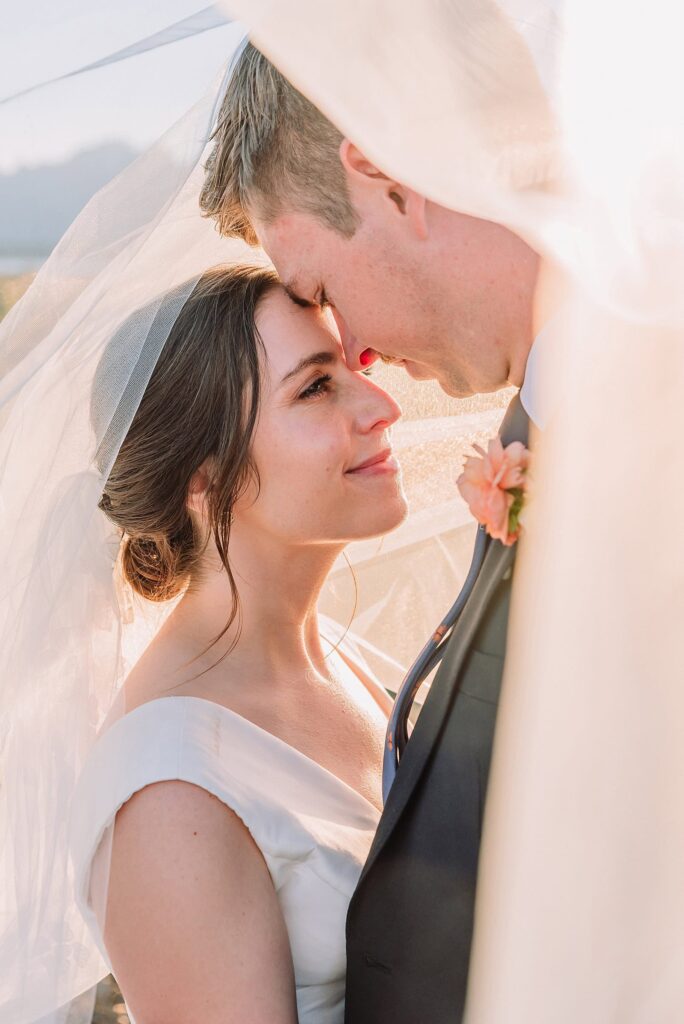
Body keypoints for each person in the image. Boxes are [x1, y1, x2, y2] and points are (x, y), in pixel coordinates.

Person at [199, 42, 543, 1023]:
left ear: (389, 181)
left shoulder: (639, 431)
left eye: (319, 283)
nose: (354, 354)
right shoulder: (537, 441)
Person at [68, 262, 407, 1024]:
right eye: (316, 388)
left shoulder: (344, 663)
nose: (383, 405)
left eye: (352, 368)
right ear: (204, 472)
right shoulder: (167, 790)